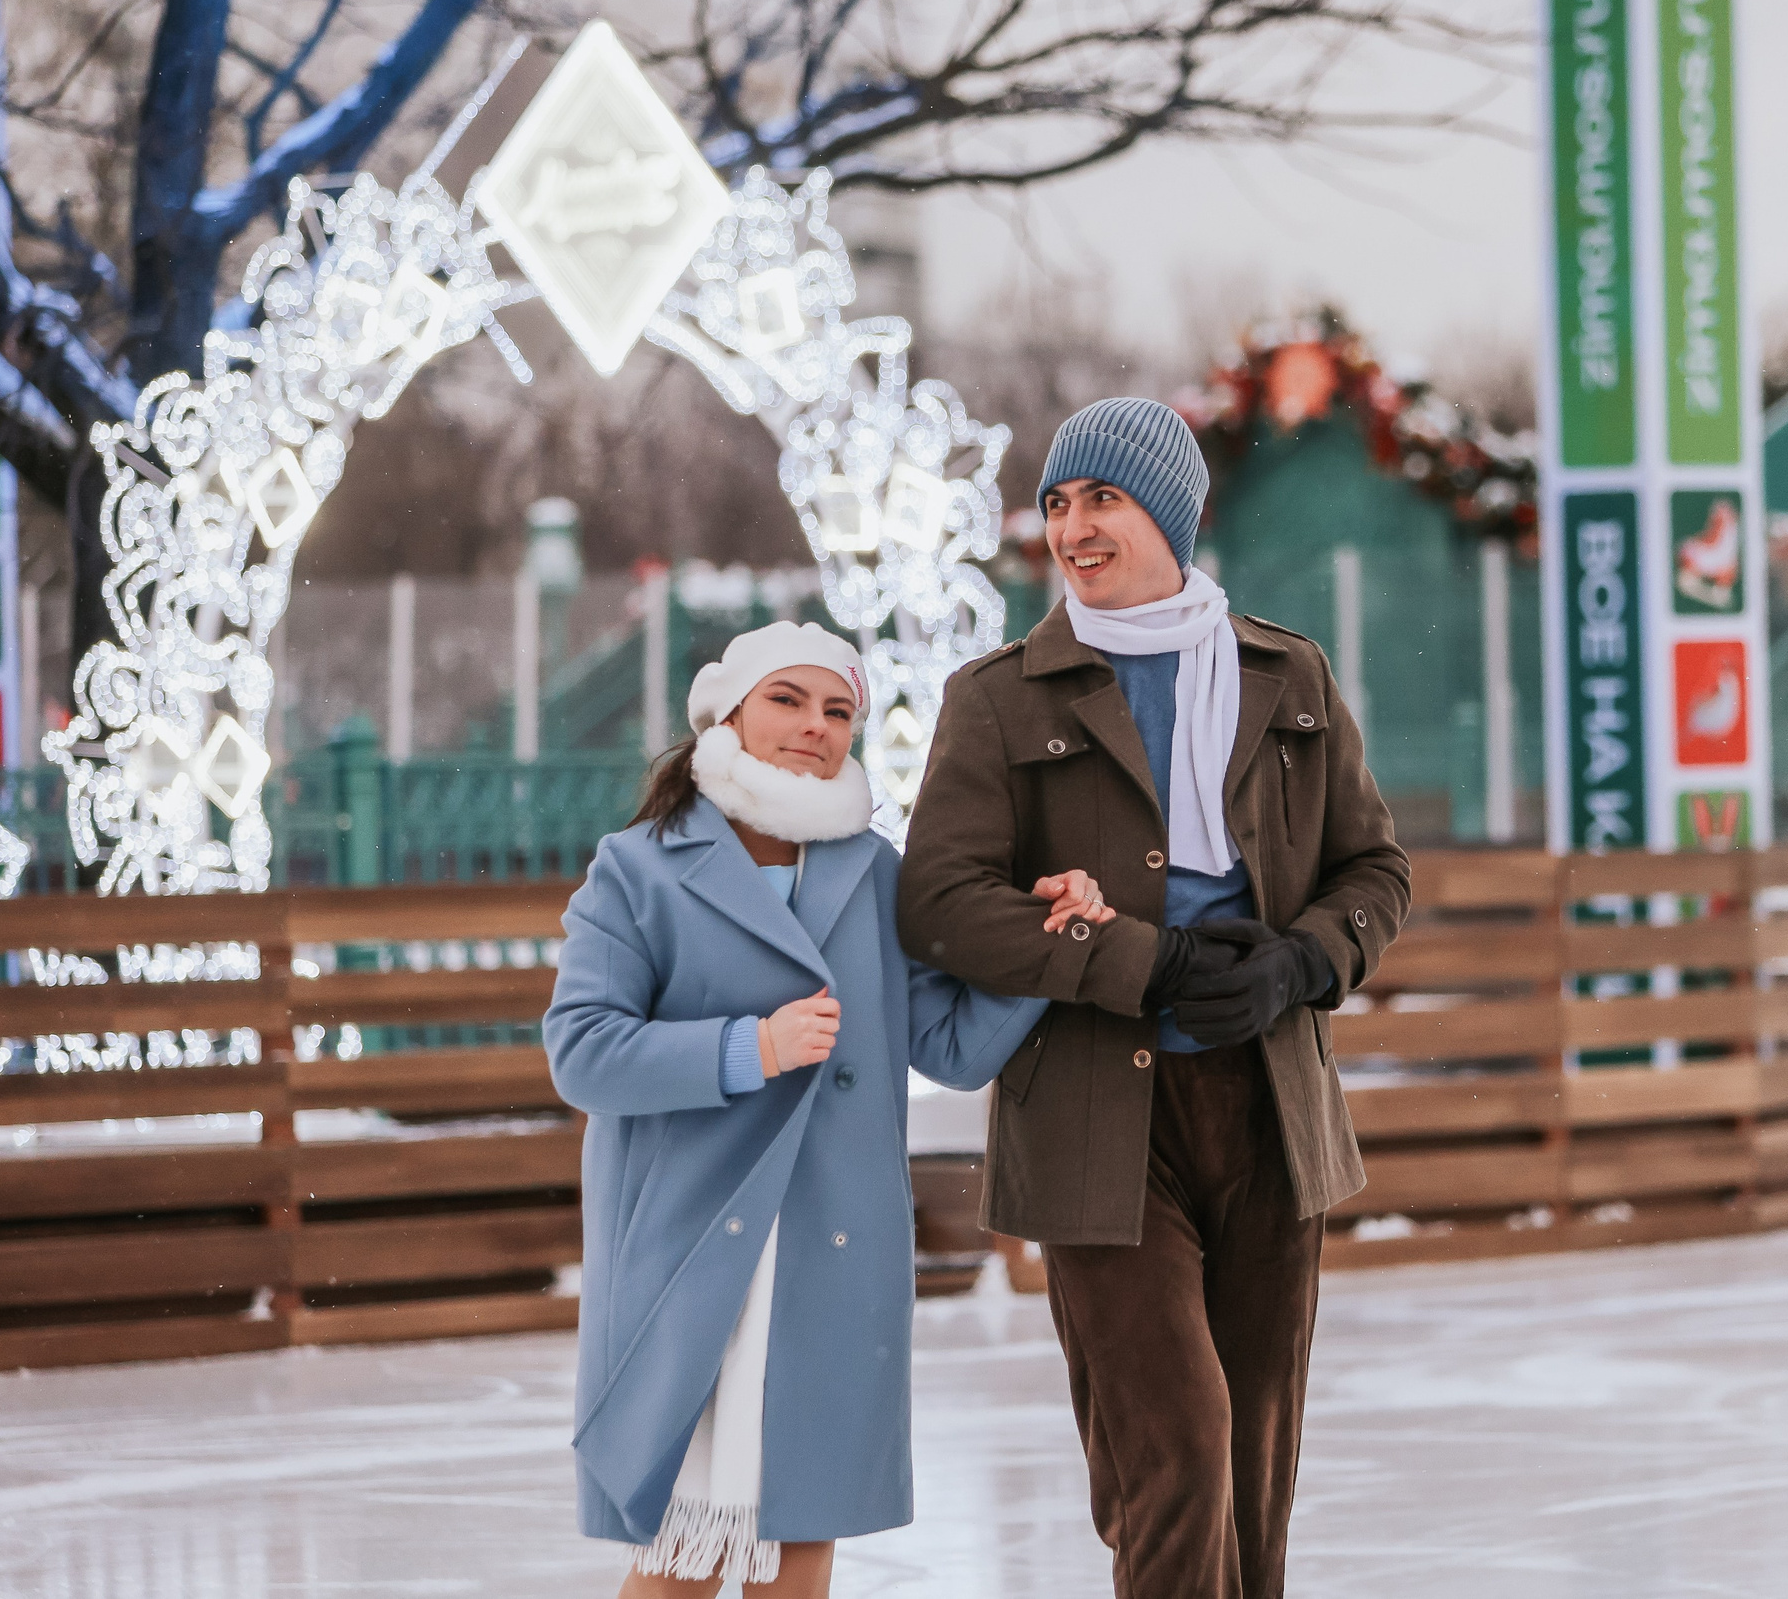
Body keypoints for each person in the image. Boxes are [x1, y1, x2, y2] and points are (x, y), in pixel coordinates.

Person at [898, 397, 1411, 1599]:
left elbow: (1374, 870)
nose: (1073, 527)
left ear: (1171, 514)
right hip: (1095, 1123)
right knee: (1172, 1453)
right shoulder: (1002, 697)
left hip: (1271, 1113)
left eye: (1103, 499)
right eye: (1058, 503)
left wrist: (1301, 961)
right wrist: (1143, 961)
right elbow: (940, 901)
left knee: (1254, 1470)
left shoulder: (1289, 674)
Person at [543, 620, 1117, 1599]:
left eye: (838, 709)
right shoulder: (638, 869)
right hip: (696, 1254)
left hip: (831, 1253)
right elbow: (583, 1053)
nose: (816, 726)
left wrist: (1052, 947)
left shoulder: (874, 874)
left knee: (802, 1548)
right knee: (685, 1553)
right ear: (727, 713)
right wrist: (748, 1049)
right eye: (788, 700)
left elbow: (950, 1046)